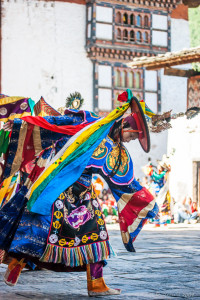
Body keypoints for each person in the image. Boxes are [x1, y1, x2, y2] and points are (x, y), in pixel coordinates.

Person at [0, 90, 158, 296]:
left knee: (43, 227)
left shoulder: (111, 146)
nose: (130, 140)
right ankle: (95, 284)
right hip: (60, 185)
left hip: (70, 191)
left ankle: (17, 263)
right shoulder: (95, 129)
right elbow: (58, 124)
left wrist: (146, 201)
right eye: (131, 135)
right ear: (124, 125)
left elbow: (124, 183)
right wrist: (25, 123)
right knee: (93, 233)